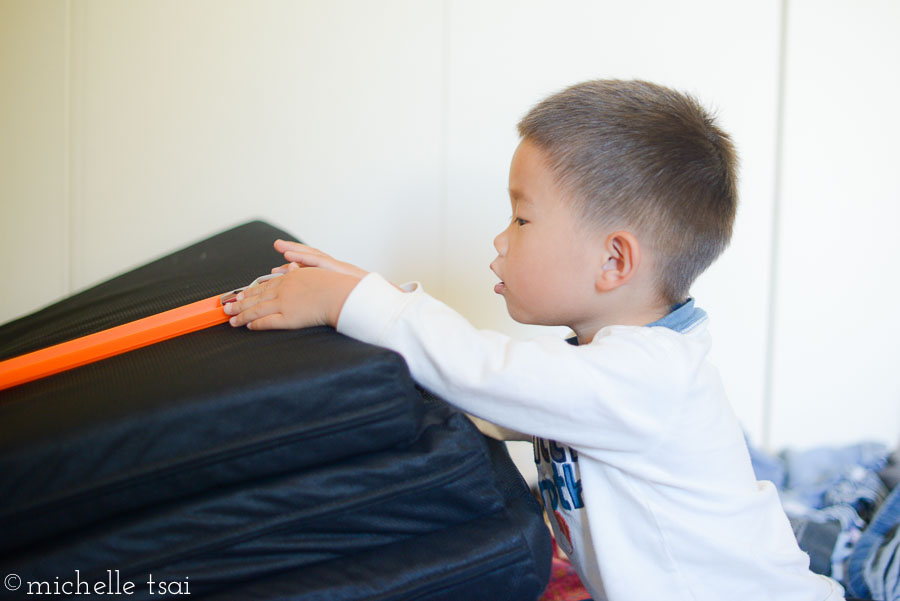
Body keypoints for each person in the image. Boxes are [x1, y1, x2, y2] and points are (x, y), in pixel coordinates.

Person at [224, 80, 845, 600]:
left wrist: (355, 301)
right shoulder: (604, 366)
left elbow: (482, 372)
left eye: (521, 218)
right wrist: (362, 304)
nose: (500, 240)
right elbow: (484, 397)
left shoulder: (649, 378)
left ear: (613, 261)